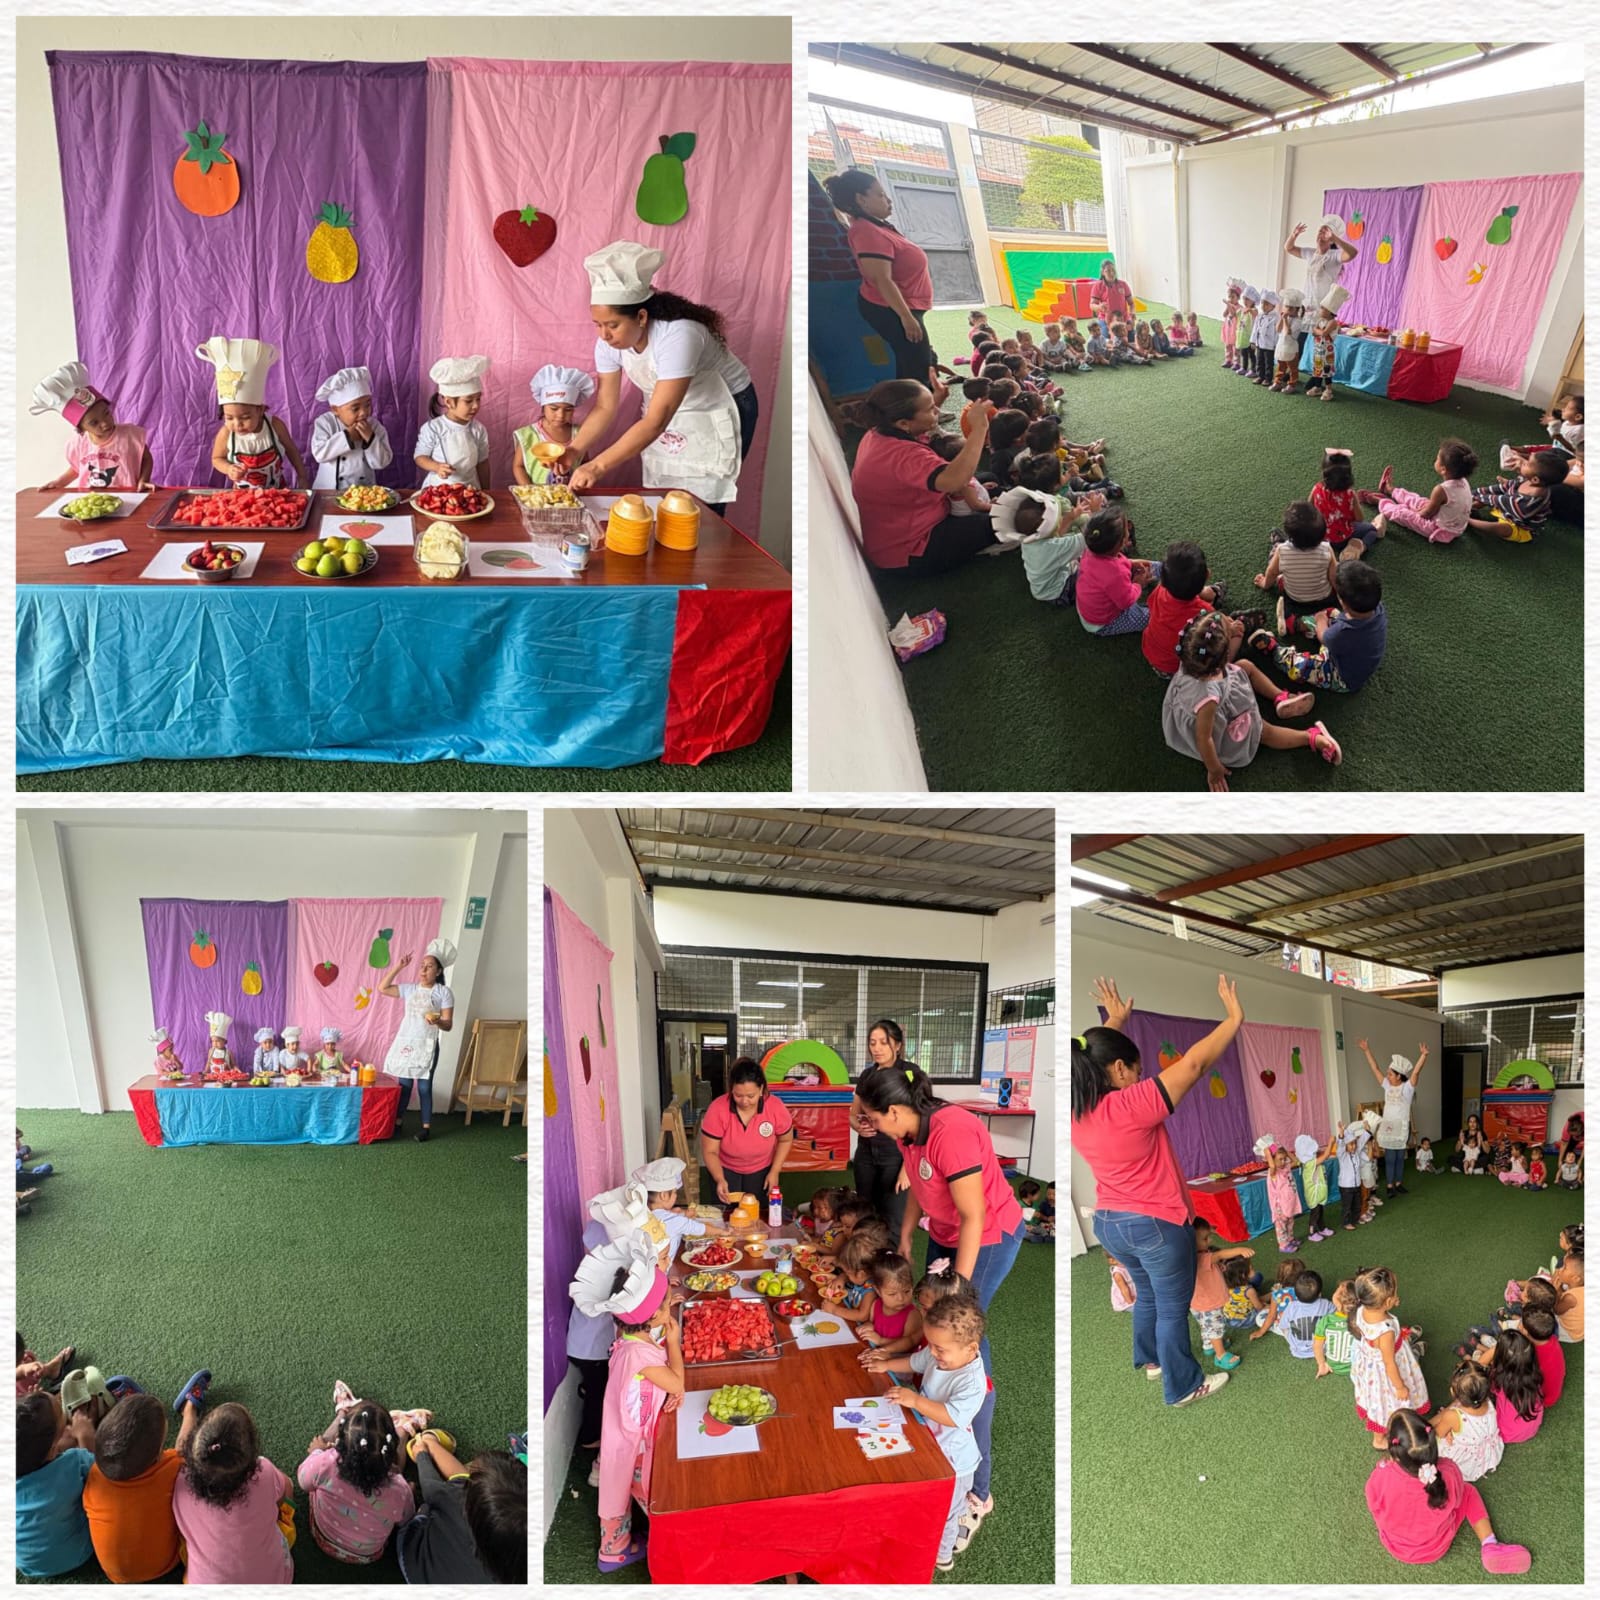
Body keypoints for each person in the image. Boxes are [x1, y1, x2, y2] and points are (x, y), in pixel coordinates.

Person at [855, 1063, 1025, 1541]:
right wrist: (907, 1237)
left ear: (894, 1110)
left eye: (872, 1117)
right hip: (946, 1234)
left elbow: (975, 1216)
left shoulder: (952, 1132)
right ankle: (930, 1411)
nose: (869, 1125)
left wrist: (960, 1289)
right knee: (932, 1326)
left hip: (987, 1236)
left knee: (961, 1336)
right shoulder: (909, 1133)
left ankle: (979, 1490)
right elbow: (919, 1187)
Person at [1072, 973, 1246, 1407]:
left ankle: (1151, 1360)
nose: (1140, 1077)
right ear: (1119, 1070)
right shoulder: (1128, 1104)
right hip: (1154, 1224)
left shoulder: (1078, 1107)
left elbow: (1092, 1059)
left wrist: (1115, 1022)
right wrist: (1232, 1020)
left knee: (1148, 1294)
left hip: (1109, 1224)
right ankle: (1183, 1385)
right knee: (1172, 1307)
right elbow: (1193, 1064)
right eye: (1135, 1070)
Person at [569, 241, 758, 515]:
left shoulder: (679, 336)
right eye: (597, 325)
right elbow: (605, 406)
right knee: (664, 496)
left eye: (612, 325)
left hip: (721, 406)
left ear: (641, 317)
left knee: (701, 503)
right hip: (666, 408)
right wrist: (575, 450)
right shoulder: (608, 344)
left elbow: (656, 421)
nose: (604, 335)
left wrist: (597, 466)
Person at [570, 1233, 682, 1574]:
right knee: (628, 1488)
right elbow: (677, 1382)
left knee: (623, 1484)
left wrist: (662, 1320)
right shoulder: (639, 1354)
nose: (670, 1305)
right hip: (633, 1440)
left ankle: (628, 1538)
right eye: (666, 1302)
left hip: (626, 1430)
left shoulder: (629, 1336)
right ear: (653, 1316)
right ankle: (615, 1552)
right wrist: (674, 1342)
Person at [862, 1296, 987, 1573]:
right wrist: (887, 1365)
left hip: (955, 1464)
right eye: (930, 1344)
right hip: (932, 1446)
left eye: (939, 1348)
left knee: (946, 1513)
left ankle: (943, 1555)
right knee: (927, 1503)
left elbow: (953, 1417)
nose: (932, 1352)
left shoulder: (971, 1380)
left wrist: (916, 1401)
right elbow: (914, 1362)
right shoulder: (938, 1353)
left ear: (971, 1349)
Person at [1163, 610, 1341, 791]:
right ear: (1225, 656)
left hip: (1213, 690)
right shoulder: (1208, 699)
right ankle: (1310, 737)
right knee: (1265, 731)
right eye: (1228, 626)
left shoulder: (1193, 656)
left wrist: (1230, 630)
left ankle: (1280, 697)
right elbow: (1204, 738)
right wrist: (1214, 769)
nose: (1230, 621)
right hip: (1221, 722)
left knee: (1245, 666)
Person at [845, 379, 996, 573]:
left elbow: (918, 428)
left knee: (988, 479)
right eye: (931, 408)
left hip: (906, 524)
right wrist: (979, 429)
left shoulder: (881, 431)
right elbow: (956, 480)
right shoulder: (904, 455)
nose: (937, 411)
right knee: (1003, 520)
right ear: (903, 422)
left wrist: (935, 402)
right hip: (911, 549)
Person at [1365, 1410, 1529, 1571]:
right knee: (1468, 1491)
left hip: (1396, 1547)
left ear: (1394, 1452)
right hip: (1437, 1547)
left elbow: (1374, 1507)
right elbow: (1456, 1499)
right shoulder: (1448, 1471)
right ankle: (1489, 1543)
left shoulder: (1380, 1476)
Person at [824, 171, 939, 394]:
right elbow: (880, 278)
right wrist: (905, 317)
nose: (888, 200)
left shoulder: (877, 226)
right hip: (892, 309)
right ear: (861, 199)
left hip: (903, 307)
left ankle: (913, 408)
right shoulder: (866, 231)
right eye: (880, 195)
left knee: (913, 362)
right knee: (917, 367)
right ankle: (915, 411)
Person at [173, 1401, 294, 1584]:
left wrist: (189, 1413)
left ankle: (189, 1410)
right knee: (286, 1489)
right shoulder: (264, 1471)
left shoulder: (180, 1483)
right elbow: (287, 1490)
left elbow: (179, 1453)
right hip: (275, 1582)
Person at [82, 1388, 195, 1582]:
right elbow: (184, 1452)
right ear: (158, 1456)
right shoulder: (171, 1467)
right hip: (166, 1565)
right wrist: (190, 1416)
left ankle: (135, 1404)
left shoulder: (95, 1475)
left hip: (115, 1576)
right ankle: (189, 1408)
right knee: (186, 1455)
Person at [296, 1396, 414, 1564]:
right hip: (366, 1555)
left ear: (339, 1442)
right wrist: (407, 1491)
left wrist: (317, 1451)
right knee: (397, 1472)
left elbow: (303, 1482)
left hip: (323, 1537)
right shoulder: (400, 1489)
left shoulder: (326, 1464)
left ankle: (342, 1412)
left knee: (320, 1446)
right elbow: (406, 1519)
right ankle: (404, 1429)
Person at [397, 1433, 526, 1583]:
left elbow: (430, 1486)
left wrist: (422, 1454)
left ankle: (428, 1441)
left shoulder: (456, 1499)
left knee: (429, 1507)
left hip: (415, 1565)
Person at [1258, 559, 1388, 695]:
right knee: (1332, 613)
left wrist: (1321, 620)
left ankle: (1273, 649)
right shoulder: (1378, 608)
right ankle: (1293, 625)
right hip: (1353, 654)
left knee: (1301, 666)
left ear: (1343, 602)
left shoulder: (1341, 633)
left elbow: (1324, 637)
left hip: (1342, 676)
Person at [195, 336, 307, 488]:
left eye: (245, 417)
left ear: (260, 410)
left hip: (277, 491)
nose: (237, 424)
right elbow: (216, 459)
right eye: (229, 418)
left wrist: (302, 476)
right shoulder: (226, 433)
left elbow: (291, 449)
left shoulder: (275, 425)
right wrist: (228, 468)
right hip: (242, 496)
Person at [379, 939, 457, 1143]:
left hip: (427, 1044)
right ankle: (397, 1122)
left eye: (429, 966)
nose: (423, 969)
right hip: (407, 1042)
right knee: (404, 1086)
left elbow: (448, 1024)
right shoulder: (410, 989)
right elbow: (382, 988)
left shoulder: (443, 993)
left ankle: (425, 1128)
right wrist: (399, 966)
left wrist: (438, 1021)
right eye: (422, 965)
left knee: (424, 1087)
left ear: (438, 971)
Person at [32, 360, 153, 491]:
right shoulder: (78, 444)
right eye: (94, 423)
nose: (105, 423)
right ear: (81, 429)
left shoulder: (130, 435)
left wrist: (143, 480)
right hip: (90, 499)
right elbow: (76, 468)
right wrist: (59, 482)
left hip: (129, 497)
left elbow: (146, 459)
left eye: (106, 413)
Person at [16, 1389, 96, 1577]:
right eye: (64, 1425)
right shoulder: (74, 1461)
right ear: (54, 1449)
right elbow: (98, 1473)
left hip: (28, 1565)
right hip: (80, 1552)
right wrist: (85, 1437)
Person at [851, 1019, 916, 1240]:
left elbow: (919, 1123)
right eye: (872, 1043)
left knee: (892, 1217)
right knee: (864, 1213)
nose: (877, 1048)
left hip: (896, 1155)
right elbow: (853, 1115)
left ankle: (891, 1260)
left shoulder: (910, 1073)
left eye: (883, 1042)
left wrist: (907, 1169)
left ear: (897, 1045)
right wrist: (858, 1127)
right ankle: (865, 1258)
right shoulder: (867, 1075)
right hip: (866, 1154)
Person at [1350, 1265, 1429, 1445]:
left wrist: (1391, 1303)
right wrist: (1400, 1387)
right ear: (1386, 1302)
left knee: (1376, 1398)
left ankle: (1380, 1433)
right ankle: (1379, 1439)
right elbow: (1389, 1363)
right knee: (1385, 1402)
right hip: (1386, 1371)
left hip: (1370, 1364)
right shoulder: (1386, 1332)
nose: (1396, 1296)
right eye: (1394, 1294)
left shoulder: (1362, 1309)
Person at [700, 1058, 794, 1202]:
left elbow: (785, 1140)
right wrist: (719, 1179)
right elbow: (710, 1151)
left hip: (762, 1169)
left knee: (758, 1210)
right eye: (738, 1095)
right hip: (725, 1169)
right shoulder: (717, 1109)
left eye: (751, 1096)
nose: (744, 1101)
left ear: (761, 1089)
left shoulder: (775, 1107)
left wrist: (775, 1171)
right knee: (726, 1211)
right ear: (731, 1089)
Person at [1284, 215, 1358, 384]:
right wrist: (1294, 235)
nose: (1321, 233)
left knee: (1321, 344)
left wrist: (1335, 239)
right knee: (1298, 341)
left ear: (1331, 238)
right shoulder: (1310, 253)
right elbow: (1289, 248)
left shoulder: (1334, 255)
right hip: (1306, 305)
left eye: (1326, 231)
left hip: (1324, 308)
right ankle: (1291, 371)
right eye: (1320, 230)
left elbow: (1353, 253)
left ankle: (1317, 379)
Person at [1371, 440, 1478, 544]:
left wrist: (1414, 512)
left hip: (1442, 530)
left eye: (1437, 459)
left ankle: (1382, 502)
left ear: (1443, 469)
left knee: (1404, 515)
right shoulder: (1464, 481)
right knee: (1419, 501)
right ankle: (1391, 490)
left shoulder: (1441, 490)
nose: (1435, 460)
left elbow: (1427, 514)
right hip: (1455, 523)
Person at [1358, 1040, 1428, 1197]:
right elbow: (1375, 1068)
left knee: (1400, 1157)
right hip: (1388, 1127)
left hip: (1402, 1127)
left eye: (1390, 1074)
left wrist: (1423, 1055)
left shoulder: (1407, 1088)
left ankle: (1398, 1183)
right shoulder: (1387, 1086)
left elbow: (1415, 1073)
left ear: (1398, 1076)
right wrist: (1366, 1050)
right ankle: (1390, 1186)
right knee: (1390, 1158)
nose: (1387, 1076)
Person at [308, 365, 393, 490]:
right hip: (328, 490)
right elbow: (319, 454)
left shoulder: (374, 426)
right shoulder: (325, 423)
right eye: (355, 408)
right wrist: (347, 436)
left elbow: (381, 463)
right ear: (335, 410)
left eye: (367, 405)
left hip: (363, 492)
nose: (363, 412)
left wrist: (371, 438)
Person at [414, 357, 492, 488]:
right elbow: (420, 457)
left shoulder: (478, 429)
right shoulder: (433, 428)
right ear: (449, 402)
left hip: (470, 489)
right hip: (439, 489)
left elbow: (482, 463)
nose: (475, 406)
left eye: (478, 399)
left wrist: (486, 491)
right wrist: (436, 467)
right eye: (468, 401)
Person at [1254, 501, 1337, 620]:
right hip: (1324, 599)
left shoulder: (1282, 550)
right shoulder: (1327, 549)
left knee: (1275, 558)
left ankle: (1278, 540)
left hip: (1294, 600)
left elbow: (1272, 572)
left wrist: (1265, 584)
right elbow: (1334, 576)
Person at [513, 366, 593, 487]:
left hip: (571, 495)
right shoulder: (528, 435)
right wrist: (530, 490)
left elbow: (585, 463)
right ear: (543, 406)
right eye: (554, 409)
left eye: (568, 410)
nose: (561, 415)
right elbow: (518, 466)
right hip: (537, 496)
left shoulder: (580, 433)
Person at [1467, 449, 1564, 540]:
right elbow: (1503, 488)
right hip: (1507, 508)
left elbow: (1502, 501)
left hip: (1521, 526)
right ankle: (1469, 508)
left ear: (1535, 479)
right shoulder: (1526, 479)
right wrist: (1474, 493)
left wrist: (1481, 497)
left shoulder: (1534, 499)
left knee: (1504, 529)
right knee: (1489, 498)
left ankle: (1468, 521)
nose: (1522, 462)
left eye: (1526, 464)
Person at [1432, 1360, 1503, 1481]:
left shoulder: (1452, 1415)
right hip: (1489, 1454)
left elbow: (1438, 1433)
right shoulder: (1487, 1401)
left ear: (1453, 1392)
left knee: (1436, 1440)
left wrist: (1448, 1430)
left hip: (1465, 1463)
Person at [1312, 449, 1381, 564]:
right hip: (1343, 538)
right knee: (1371, 530)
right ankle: (1359, 548)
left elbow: (1309, 507)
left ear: (1324, 473)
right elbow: (1359, 518)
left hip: (1322, 537)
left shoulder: (1316, 489)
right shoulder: (1350, 495)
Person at [1478, 1326, 1543, 1443]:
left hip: (1506, 1434)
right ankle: (1484, 1348)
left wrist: (1496, 1349)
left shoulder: (1499, 1380)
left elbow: (1479, 1366)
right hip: (1531, 1429)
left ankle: (1480, 1350)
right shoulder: (1534, 1376)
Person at [858, 1252, 922, 1349]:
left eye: (907, 1291)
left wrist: (881, 1340)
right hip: (877, 1352)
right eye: (892, 1294)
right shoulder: (876, 1305)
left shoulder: (912, 1315)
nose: (901, 1298)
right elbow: (873, 1322)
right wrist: (868, 1326)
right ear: (878, 1291)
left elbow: (908, 1343)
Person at [925, 432, 993, 517]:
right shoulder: (964, 484)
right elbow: (977, 506)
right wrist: (996, 507)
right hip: (971, 515)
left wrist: (980, 487)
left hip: (975, 504)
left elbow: (969, 495)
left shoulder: (955, 477)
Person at [1297, 1130, 1338, 1240]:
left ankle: (1322, 1228)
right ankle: (1312, 1233)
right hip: (1313, 1196)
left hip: (1317, 1195)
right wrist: (1330, 1143)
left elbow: (1323, 1155)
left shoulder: (1308, 1162)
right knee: (1315, 1213)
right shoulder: (1310, 1163)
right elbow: (1326, 1155)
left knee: (1320, 1211)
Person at [1314, 1279, 1357, 1376]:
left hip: (1333, 1366)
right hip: (1357, 1367)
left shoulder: (1326, 1320)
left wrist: (1322, 1364)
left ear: (1336, 1300)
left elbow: (1317, 1345)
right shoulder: (1362, 1321)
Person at [1265, 1144, 1302, 1253]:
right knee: (1281, 1226)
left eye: (1284, 1159)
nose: (1282, 1162)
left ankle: (1290, 1239)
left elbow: (1296, 1161)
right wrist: (1268, 1153)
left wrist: (1285, 1151)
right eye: (1279, 1159)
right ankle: (1283, 1245)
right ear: (1273, 1160)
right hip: (1280, 1206)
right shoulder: (1273, 1172)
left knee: (1290, 1222)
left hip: (1289, 1203)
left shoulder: (1286, 1168)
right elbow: (1272, 1166)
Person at [1088, 258, 1136, 331]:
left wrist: (1132, 312)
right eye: (1108, 271)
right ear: (1102, 272)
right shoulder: (1098, 286)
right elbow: (1092, 305)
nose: (1111, 273)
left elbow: (1131, 303)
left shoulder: (1123, 284)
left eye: (1113, 270)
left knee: (1132, 335)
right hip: (1105, 319)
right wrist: (1099, 307)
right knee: (1106, 336)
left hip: (1123, 319)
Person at [1271, 289, 1305, 390]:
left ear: (1297, 309)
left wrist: (1285, 319)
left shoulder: (1298, 321)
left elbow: (1288, 332)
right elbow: (1278, 329)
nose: (1288, 309)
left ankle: (1292, 384)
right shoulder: (1285, 318)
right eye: (1286, 307)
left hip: (1291, 348)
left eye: (1291, 308)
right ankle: (1278, 381)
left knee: (1292, 367)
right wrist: (1282, 319)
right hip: (1282, 345)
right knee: (1281, 366)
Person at [1250, 289, 1280, 384]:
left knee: (1268, 363)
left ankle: (1268, 378)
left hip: (1270, 345)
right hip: (1260, 343)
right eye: (1262, 303)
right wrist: (1253, 341)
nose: (1263, 306)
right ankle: (1260, 376)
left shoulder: (1276, 317)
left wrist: (1276, 345)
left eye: (1267, 304)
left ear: (1273, 306)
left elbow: (1277, 332)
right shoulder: (1259, 316)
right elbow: (1255, 329)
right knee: (1259, 361)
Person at [1235, 288, 1258, 379]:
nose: (1245, 301)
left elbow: (1255, 314)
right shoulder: (1242, 309)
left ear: (1253, 301)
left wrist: (1249, 310)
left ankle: (1253, 370)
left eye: (1247, 299)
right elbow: (1236, 314)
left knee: (1251, 354)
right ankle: (1244, 368)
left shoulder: (1254, 310)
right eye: (1244, 299)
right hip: (1243, 336)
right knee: (1243, 353)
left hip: (1251, 337)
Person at [1220, 279, 1243, 370]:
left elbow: (1233, 314)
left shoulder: (1239, 307)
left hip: (1235, 330)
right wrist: (1227, 306)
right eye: (1229, 297)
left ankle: (1236, 362)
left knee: (1236, 347)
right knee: (1228, 345)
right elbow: (1224, 315)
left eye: (1233, 297)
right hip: (1228, 329)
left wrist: (1228, 305)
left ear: (1238, 298)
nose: (1230, 299)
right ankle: (1228, 360)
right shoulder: (1228, 306)